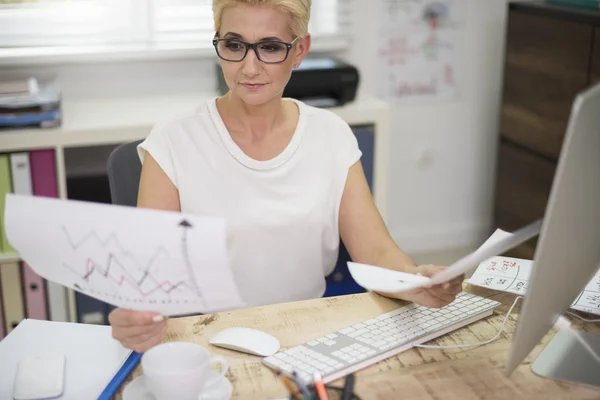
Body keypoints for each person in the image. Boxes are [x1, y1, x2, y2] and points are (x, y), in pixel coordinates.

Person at [109, 0, 464, 353]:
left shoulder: (331, 135)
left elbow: (375, 250)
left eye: (270, 48)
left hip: (309, 333)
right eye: (234, 45)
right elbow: (152, 275)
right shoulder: (174, 139)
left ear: (300, 51)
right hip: (212, 339)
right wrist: (136, 318)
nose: (250, 67)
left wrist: (415, 282)